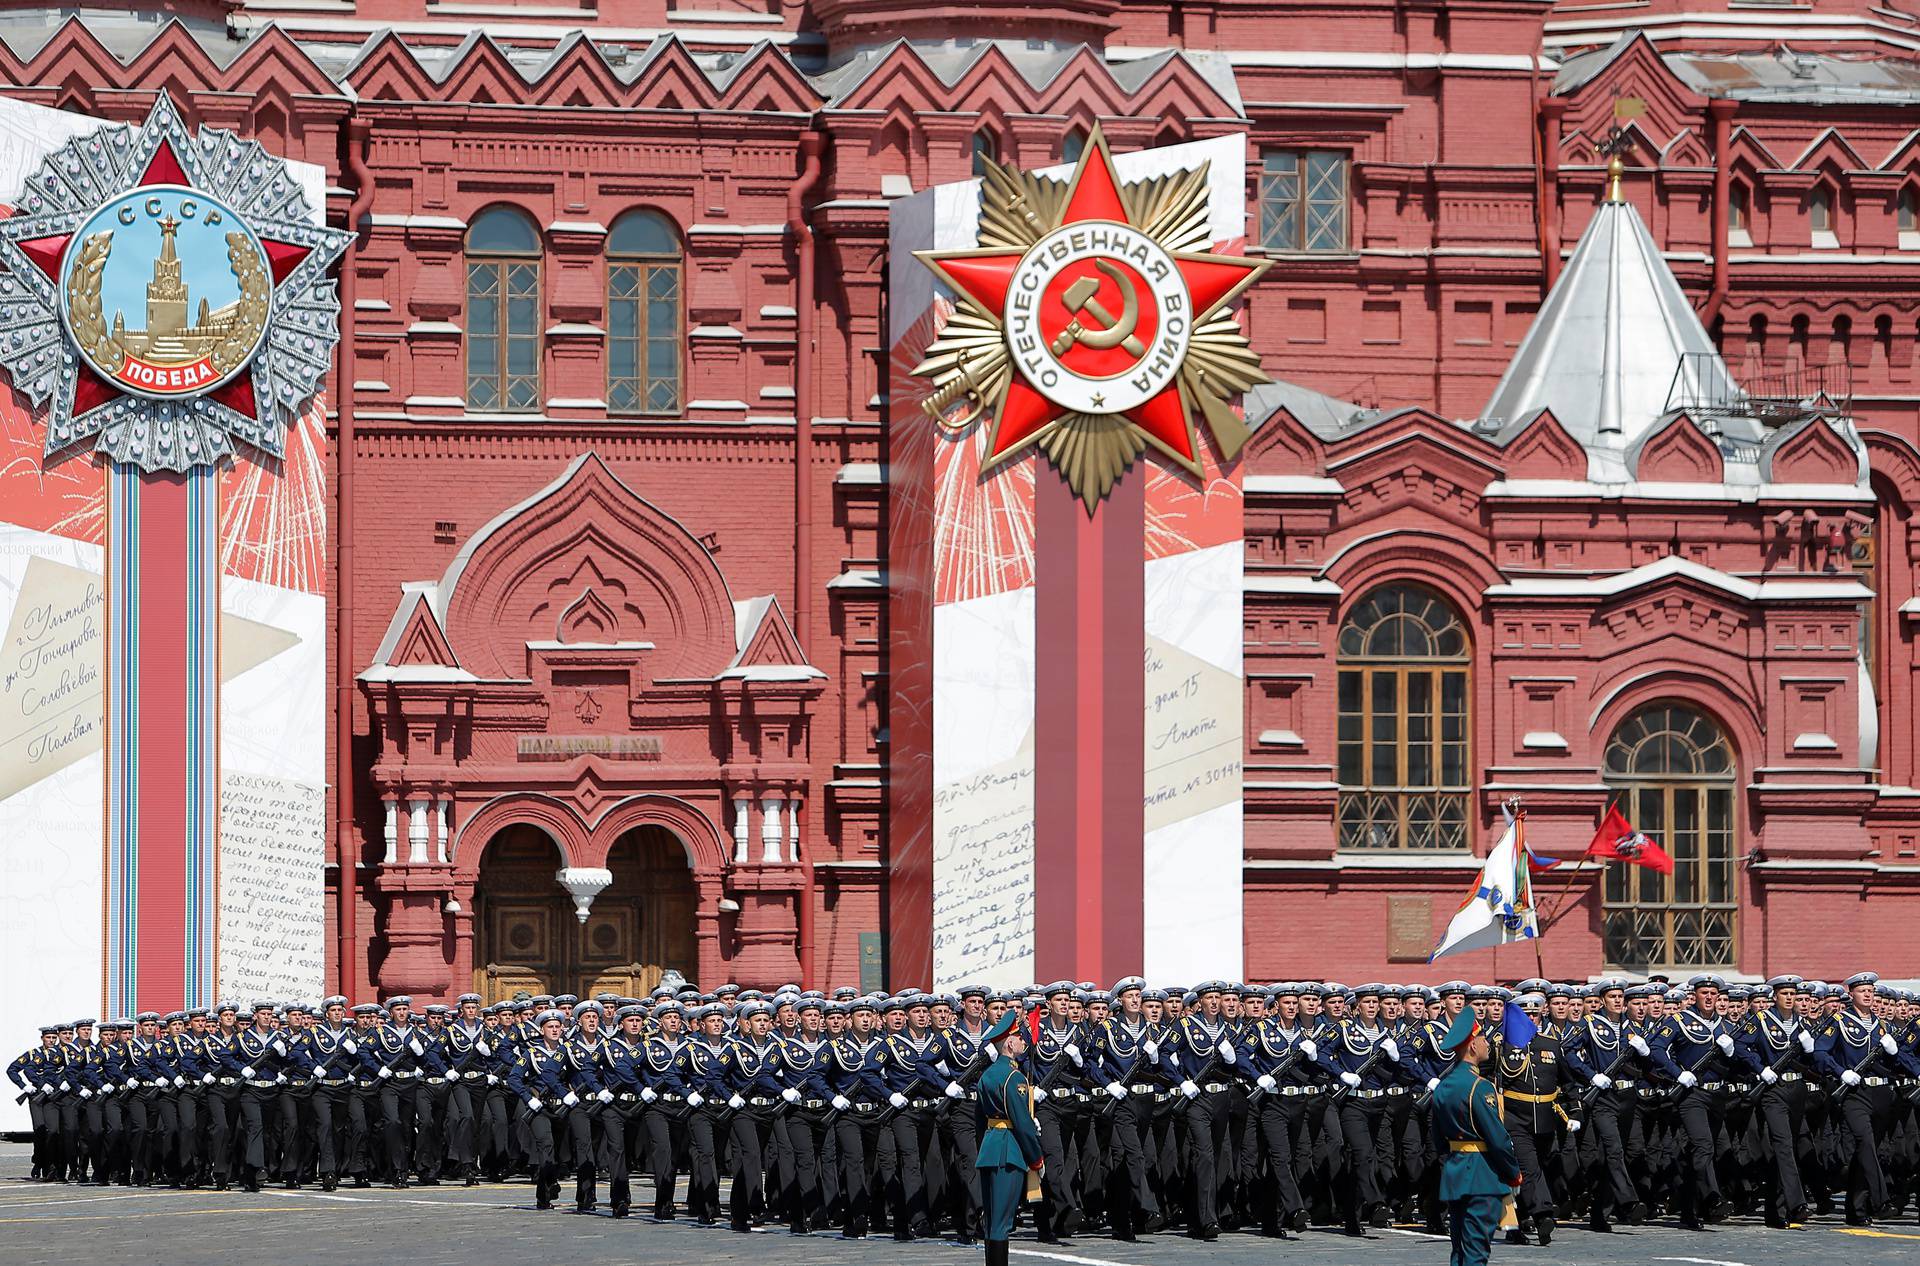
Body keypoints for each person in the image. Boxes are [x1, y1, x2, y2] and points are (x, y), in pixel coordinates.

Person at [1429, 1009, 1521, 1266]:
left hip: (1456, 1172)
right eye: (1482, 1039)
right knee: (1477, 1251)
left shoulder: (1444, 1085)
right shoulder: (1479, 1086)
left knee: (1459, 1249)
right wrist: (1513, 1172)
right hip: (1482, 1175)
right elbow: (1498, 1139)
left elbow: (1437, 1138)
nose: (1487, 1043)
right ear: (1471, 1046)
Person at [976, 1010, 1043, 1266]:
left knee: (992, 1220)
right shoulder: (1014, 1078)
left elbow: (979, 1119)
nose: (1023, 1042)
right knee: (1002, 1222)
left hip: (990, 1148)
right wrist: (1035, 1158)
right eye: (1018, 1037)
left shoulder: (987, 1075)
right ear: (1009, 1043)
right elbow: (1023, 1125)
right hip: (1009, 1150)